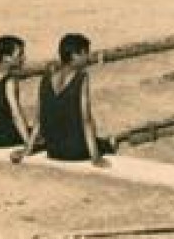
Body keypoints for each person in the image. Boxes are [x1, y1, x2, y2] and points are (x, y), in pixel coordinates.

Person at [13, 33, 112, 167]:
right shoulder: (81, 77)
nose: (88, 58)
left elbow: (39, 118)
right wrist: (95, 157)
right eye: (86, 54)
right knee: (108, 145)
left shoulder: (46, 77)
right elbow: (86, 119)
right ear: (77, 55)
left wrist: (27, 149)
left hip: (53, 150)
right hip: (73, 151)